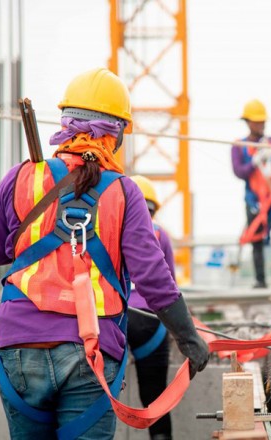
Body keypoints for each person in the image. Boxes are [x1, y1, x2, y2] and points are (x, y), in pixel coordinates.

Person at [0, 68, 209, 439]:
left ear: (66, 124)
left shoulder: (22, 176)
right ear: (116, 134)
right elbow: (151, 275)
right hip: (91, 350)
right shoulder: (123, 191)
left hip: (18, 344)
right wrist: (187, 336)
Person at [127, 175, 175, 440]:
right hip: (152, 323)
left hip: (116, 319)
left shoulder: (110, 230)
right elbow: (170, 289)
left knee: (99, 398)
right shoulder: (161, 235)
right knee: (155, 399)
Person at [231, 99, 271, 288]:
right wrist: (254, 162)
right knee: (256, 240)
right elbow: (239, 171)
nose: (260, 125)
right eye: (257, 122)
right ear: (248, 122)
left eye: (262, 122)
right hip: (254, 200)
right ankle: (260, 280)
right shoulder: (239, 146)